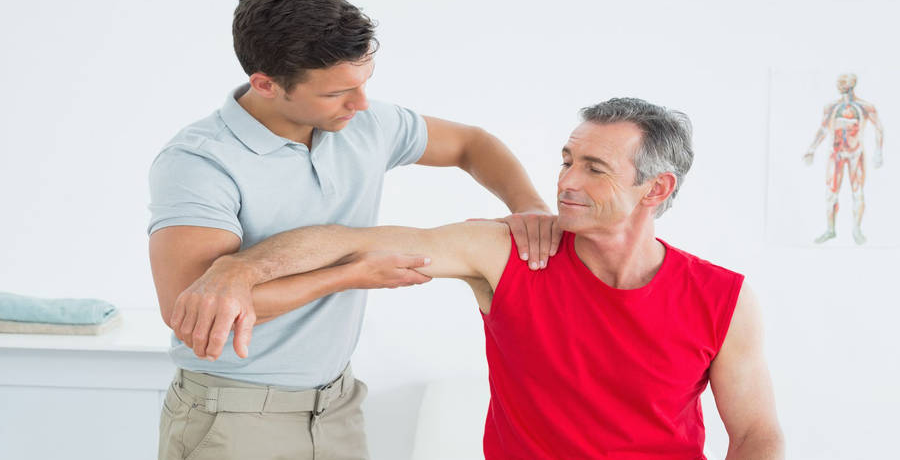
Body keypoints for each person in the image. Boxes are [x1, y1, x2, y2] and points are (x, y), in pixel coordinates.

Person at [174, 97, 785, 459]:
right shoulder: (507, 253)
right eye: (566, 160)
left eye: (594, 168)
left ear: (656, 189)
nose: (566, 181)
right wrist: (238, 266)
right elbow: (353, 242)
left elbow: (756, 433)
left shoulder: (723, 297)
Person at [149, 0, 559, 460]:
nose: (360, 103)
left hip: (336, 403)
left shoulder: (363, 122)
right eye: (336, 93)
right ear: (265, 84)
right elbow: (192, 310)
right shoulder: (200, 161)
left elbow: (472, 144)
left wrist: (529, 206)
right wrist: (350, 275)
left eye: (364, 82)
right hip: (234, 415)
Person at [803, 73, 884, 244]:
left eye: (844, 86)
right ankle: (830, 229)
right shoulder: (831, 107)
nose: (842, 89)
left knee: (858, 192)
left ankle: (856, 230)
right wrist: (812, 148)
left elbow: (879, 128)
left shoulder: (865, 107)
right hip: (836, 153)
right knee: (831, 193)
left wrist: (879, 151)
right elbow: (823, 129)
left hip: (856, 153)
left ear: (851, 86)